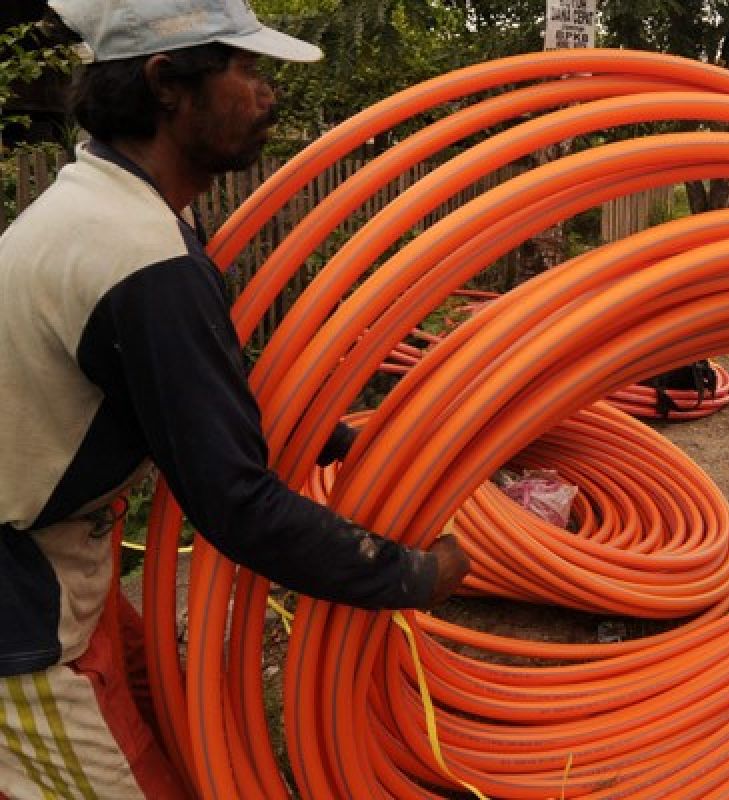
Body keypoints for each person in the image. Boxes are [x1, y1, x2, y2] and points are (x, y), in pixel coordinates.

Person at [0, 1, 469, 797]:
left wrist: (341, 443)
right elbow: (237, 506)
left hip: (59, 559)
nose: (266, 95)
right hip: (17, 610)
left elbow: (193, 396)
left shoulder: (110, 208)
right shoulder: (141, 258)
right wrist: (413, 577)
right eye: (247, 71)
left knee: (170, 729)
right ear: (167, 85)